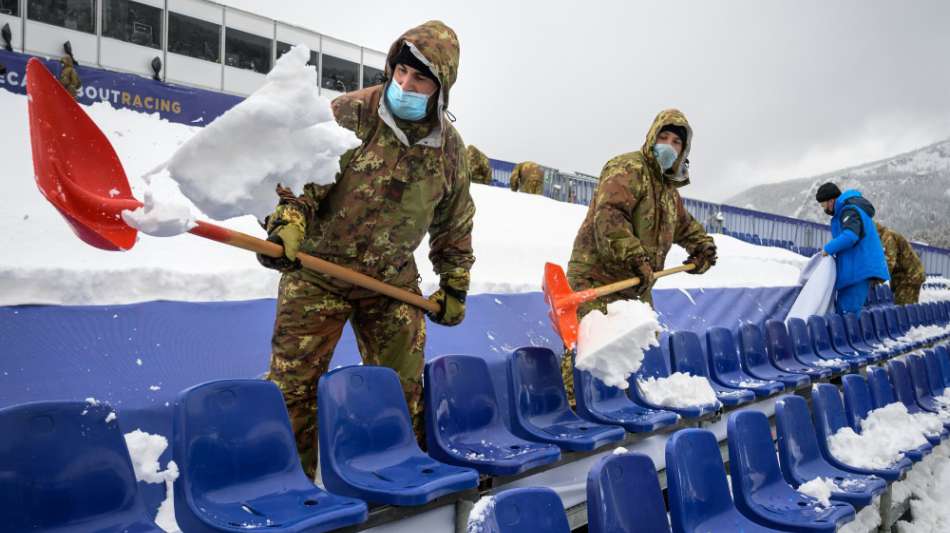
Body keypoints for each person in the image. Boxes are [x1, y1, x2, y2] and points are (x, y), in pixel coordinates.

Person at [257, 20, 474, 479]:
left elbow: (454, 223)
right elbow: (299, 182)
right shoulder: (350, 114)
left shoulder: (450, 151)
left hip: (389, 281)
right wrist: (287, 225)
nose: (405, 84)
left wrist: (455, 283)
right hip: (317, 270)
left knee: (400, 388)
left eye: (420, 79)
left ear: (441, 88)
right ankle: (290, 486)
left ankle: (396, 476)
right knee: (292, 386)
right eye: (400, 72)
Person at [561, 109, 717, 406]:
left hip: (636, 282)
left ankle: (619, 409)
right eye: (664, 137)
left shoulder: (669, 191)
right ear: (652, 136)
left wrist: (702, 247)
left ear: (684, 150)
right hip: (596, 276)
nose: (669, 146)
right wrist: (636, 257)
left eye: (676, 142)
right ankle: (573, 410)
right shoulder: (627, 168)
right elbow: (609, 217)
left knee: (631, 347)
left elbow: (683, 225)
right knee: (587, 348)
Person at [815, 183, 889, 314]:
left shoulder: (848, 210)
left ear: (831, 201)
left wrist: (828, 249)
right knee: (845, 314)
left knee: (846, 315)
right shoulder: (847, 210)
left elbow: (850, 236)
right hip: (856, 268)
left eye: (823, 205)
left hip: (859, 269)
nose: (824, 209)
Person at [875, 222, 925, 305]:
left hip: (908, 277)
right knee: (906, 309)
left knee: (904, 310)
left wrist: (877, 280)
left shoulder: (887, 237)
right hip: (905, 277)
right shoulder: (884, 237)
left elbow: (889, 262)